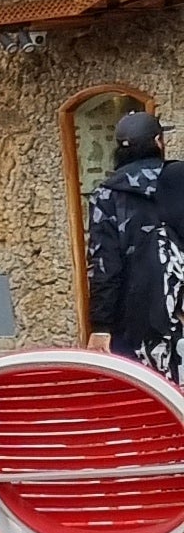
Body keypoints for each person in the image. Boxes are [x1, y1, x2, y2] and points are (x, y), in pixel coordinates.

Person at [83, 105, 184, 376]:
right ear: (157, 142)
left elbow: (105, 267)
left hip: (136, 324)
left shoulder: (106, 196)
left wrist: (101, 327)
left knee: (149, 398)